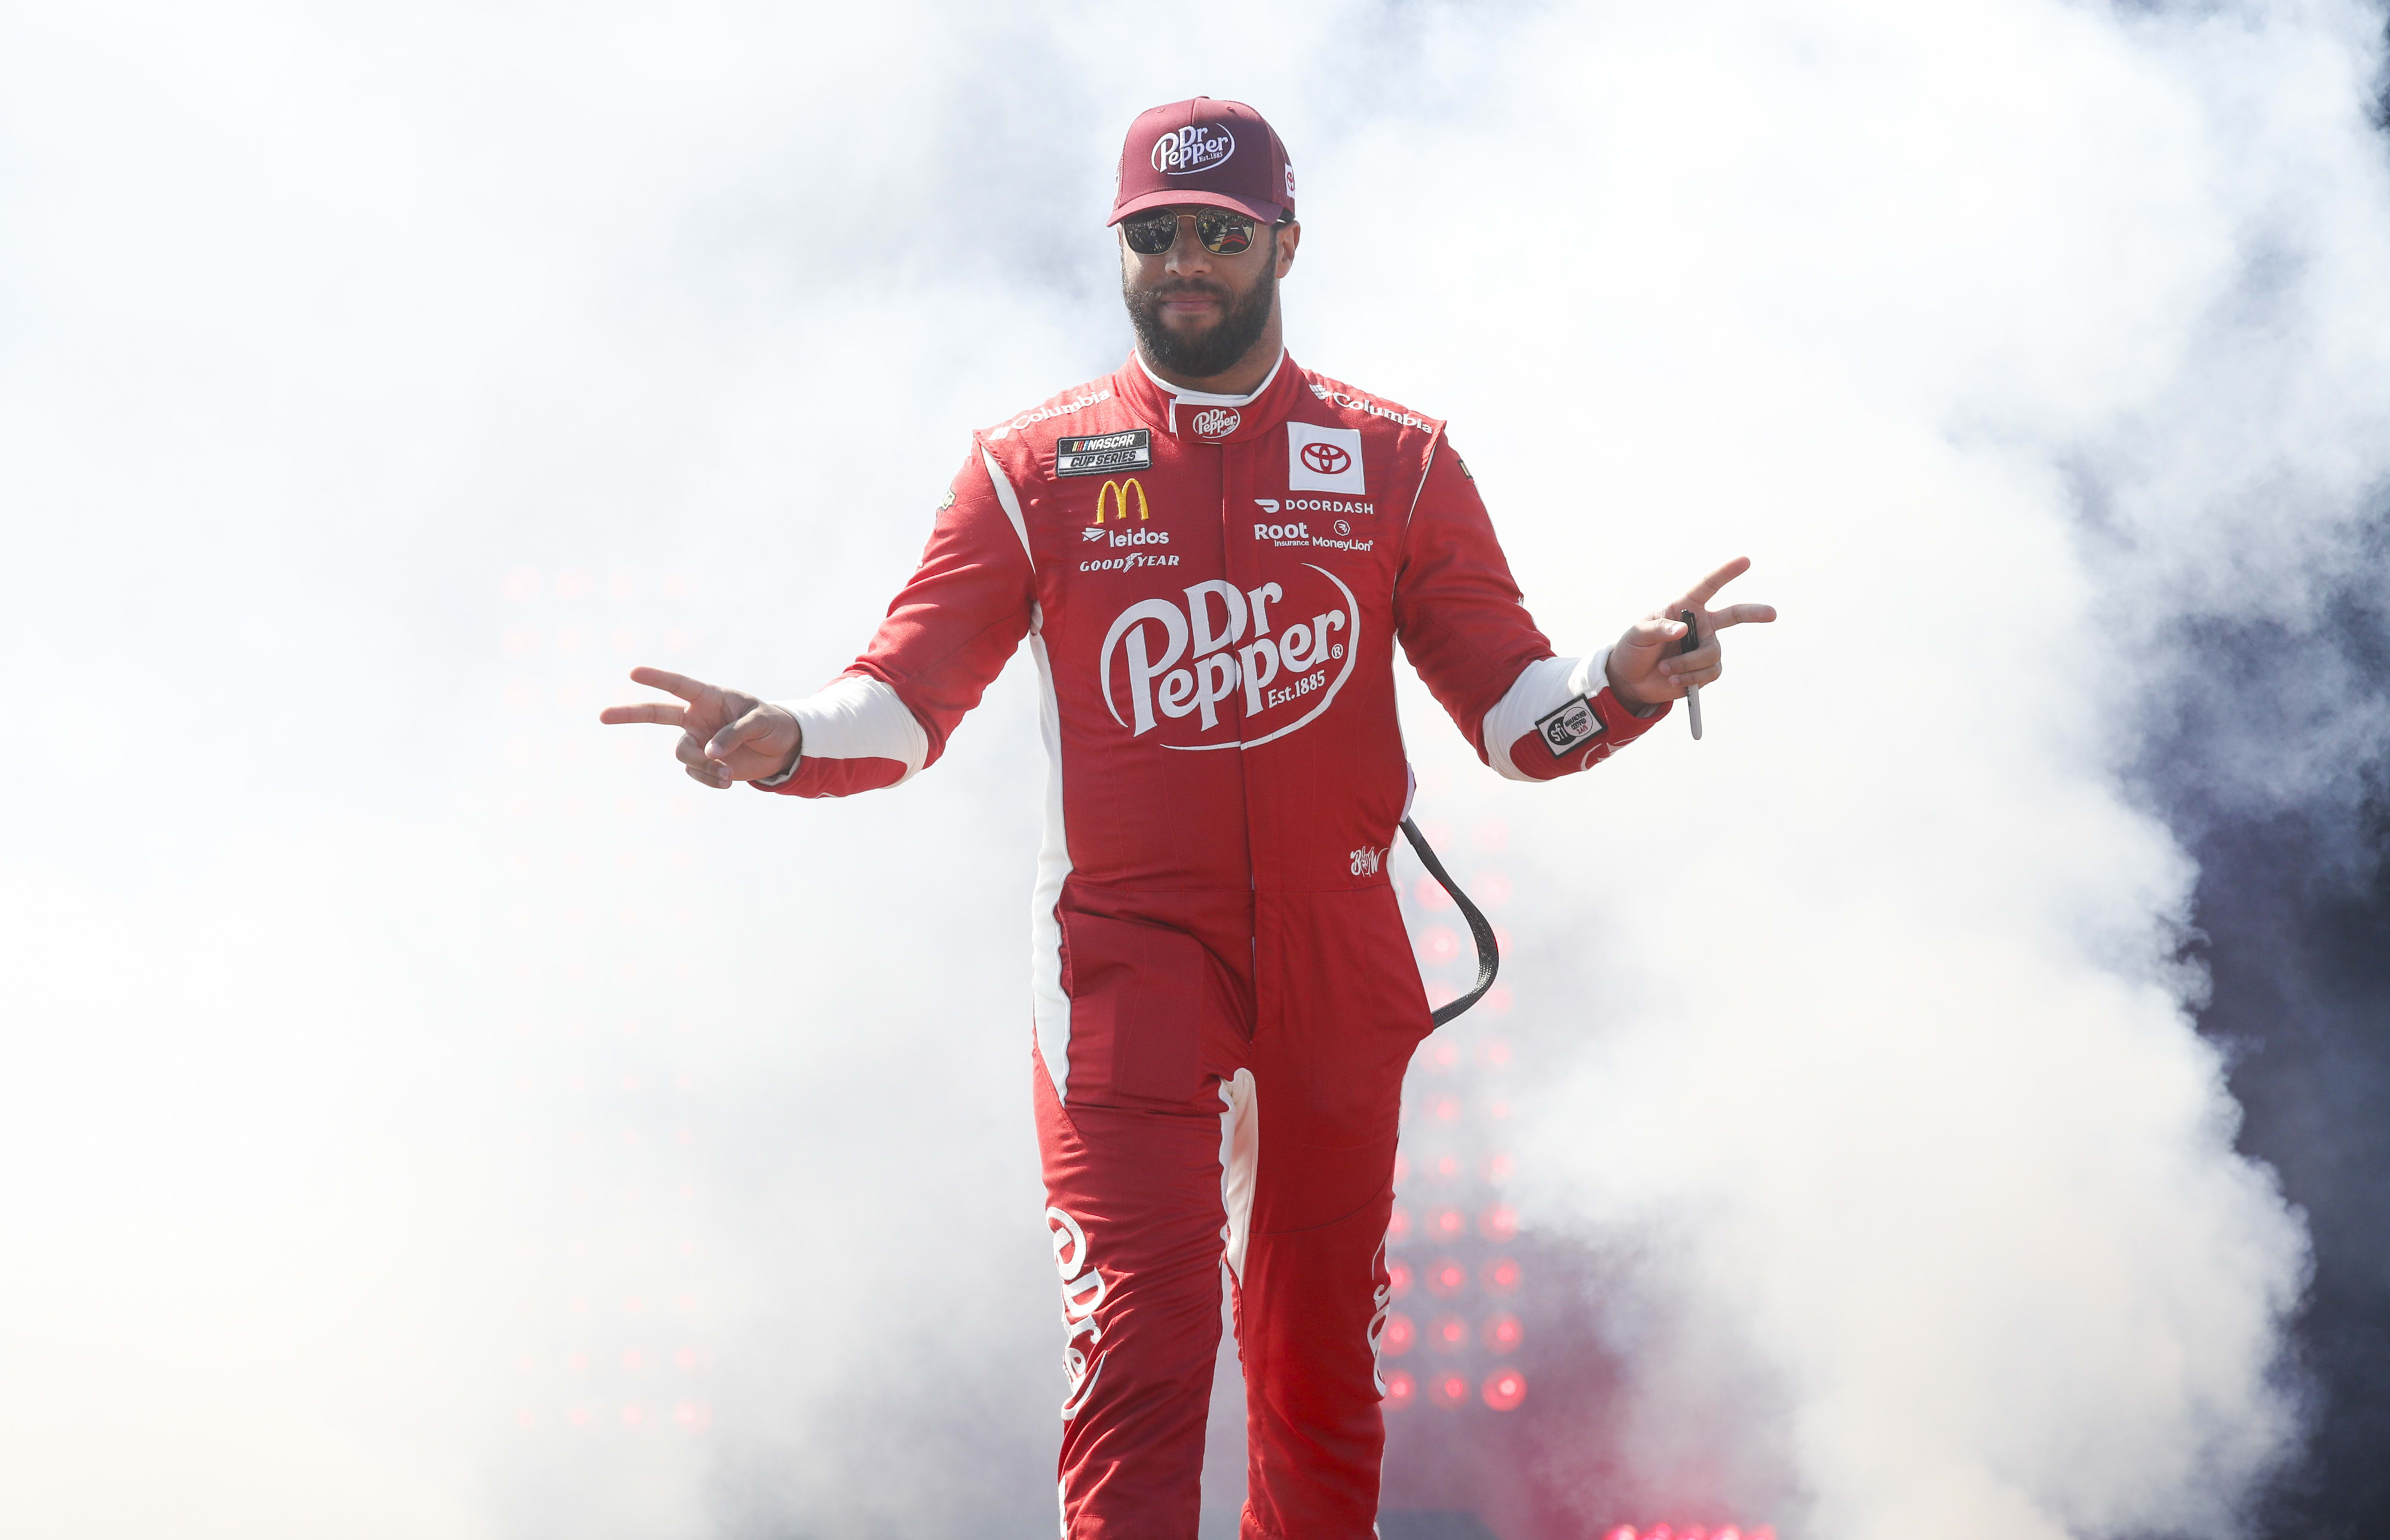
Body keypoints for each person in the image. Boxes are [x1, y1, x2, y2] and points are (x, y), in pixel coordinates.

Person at [601, 96, 1775, 1540]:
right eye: (1153, 235)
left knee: (1316, 1379)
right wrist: (782, 739)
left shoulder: (1397, 460)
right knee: (1139, 1361)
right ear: (1119, 251)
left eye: (1217, 234)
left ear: (1285, 241)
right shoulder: (1031, 467)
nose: (1184, 263)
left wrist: (1620, 680)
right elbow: (900, 704)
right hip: (1119, 967)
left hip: (1334, 965)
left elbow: (1514, 721)